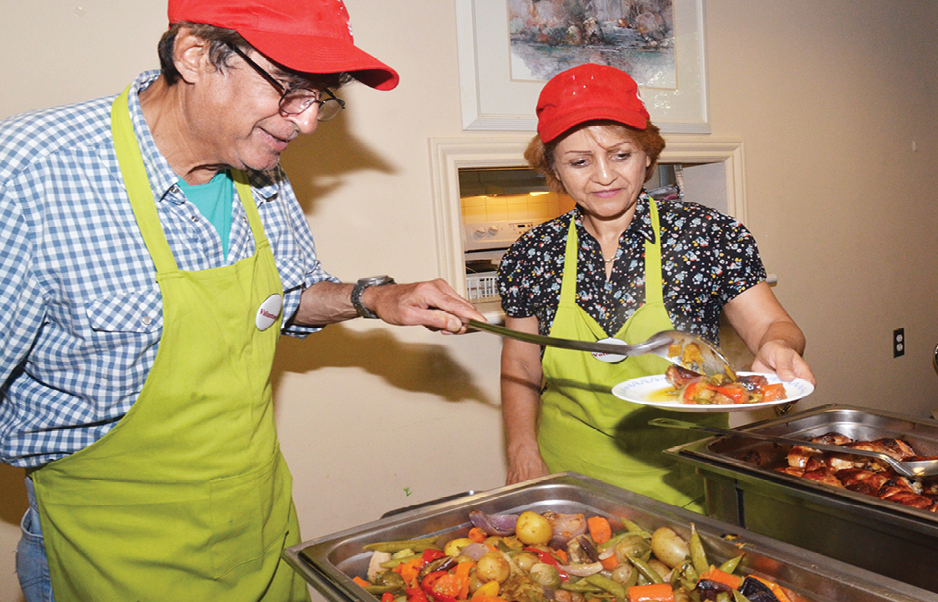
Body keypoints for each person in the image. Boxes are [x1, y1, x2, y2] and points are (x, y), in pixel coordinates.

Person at [0, 1, 484, 600]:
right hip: (108, 551)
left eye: (321, 98)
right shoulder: (29, 174)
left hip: (256, 533)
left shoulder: (260, 170)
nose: (306, 123)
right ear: (194, 54)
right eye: (289, 90)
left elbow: (286, 297)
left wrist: (374, 297)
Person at [497, 63, 816, 510]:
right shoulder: (532, 251)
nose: (604, 176)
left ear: (647, 155)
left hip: (684, 476)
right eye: (579, 161)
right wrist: (521, 450)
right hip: (566, 472)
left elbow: (774, 327)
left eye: (621, 155)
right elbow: (521, 365)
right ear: (554, 169)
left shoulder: (708, 235)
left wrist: (779, 347)